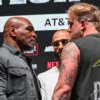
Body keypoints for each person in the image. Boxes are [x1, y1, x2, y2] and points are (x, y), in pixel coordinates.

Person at [52, 2, 100, 100]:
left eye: (71, 24)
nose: (69, 29)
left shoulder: (73, 47)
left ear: (82, 23)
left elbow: (63, 91)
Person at [0, 16, 41, 100]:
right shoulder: (1, 56)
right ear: (13, 32)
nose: (34, 34)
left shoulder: (23, 60)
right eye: (29, 29)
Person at [38, 29, 71, 100]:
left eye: (65, 42)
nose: (60, 47)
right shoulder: (43, 78)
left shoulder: (85, 73)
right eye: (56, 44)